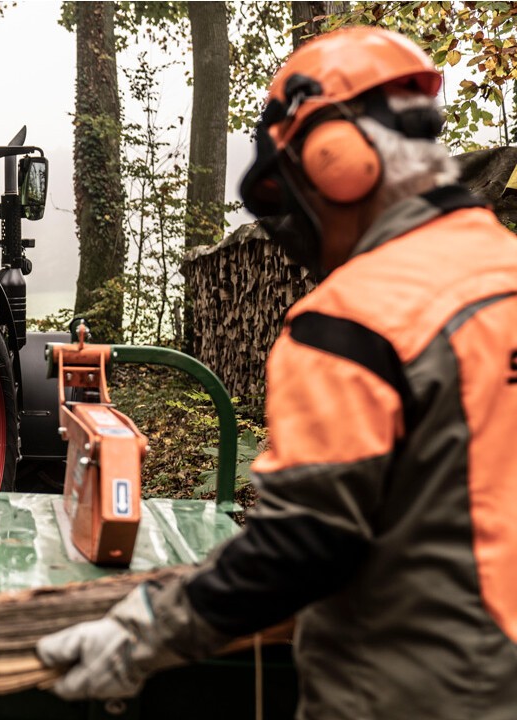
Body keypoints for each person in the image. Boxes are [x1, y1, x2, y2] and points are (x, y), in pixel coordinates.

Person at [38, 26, 517, 719]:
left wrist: (137, 632)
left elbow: (302, 545)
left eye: (287, 191)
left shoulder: (355, 319)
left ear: (335, 160)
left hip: (419, 693)